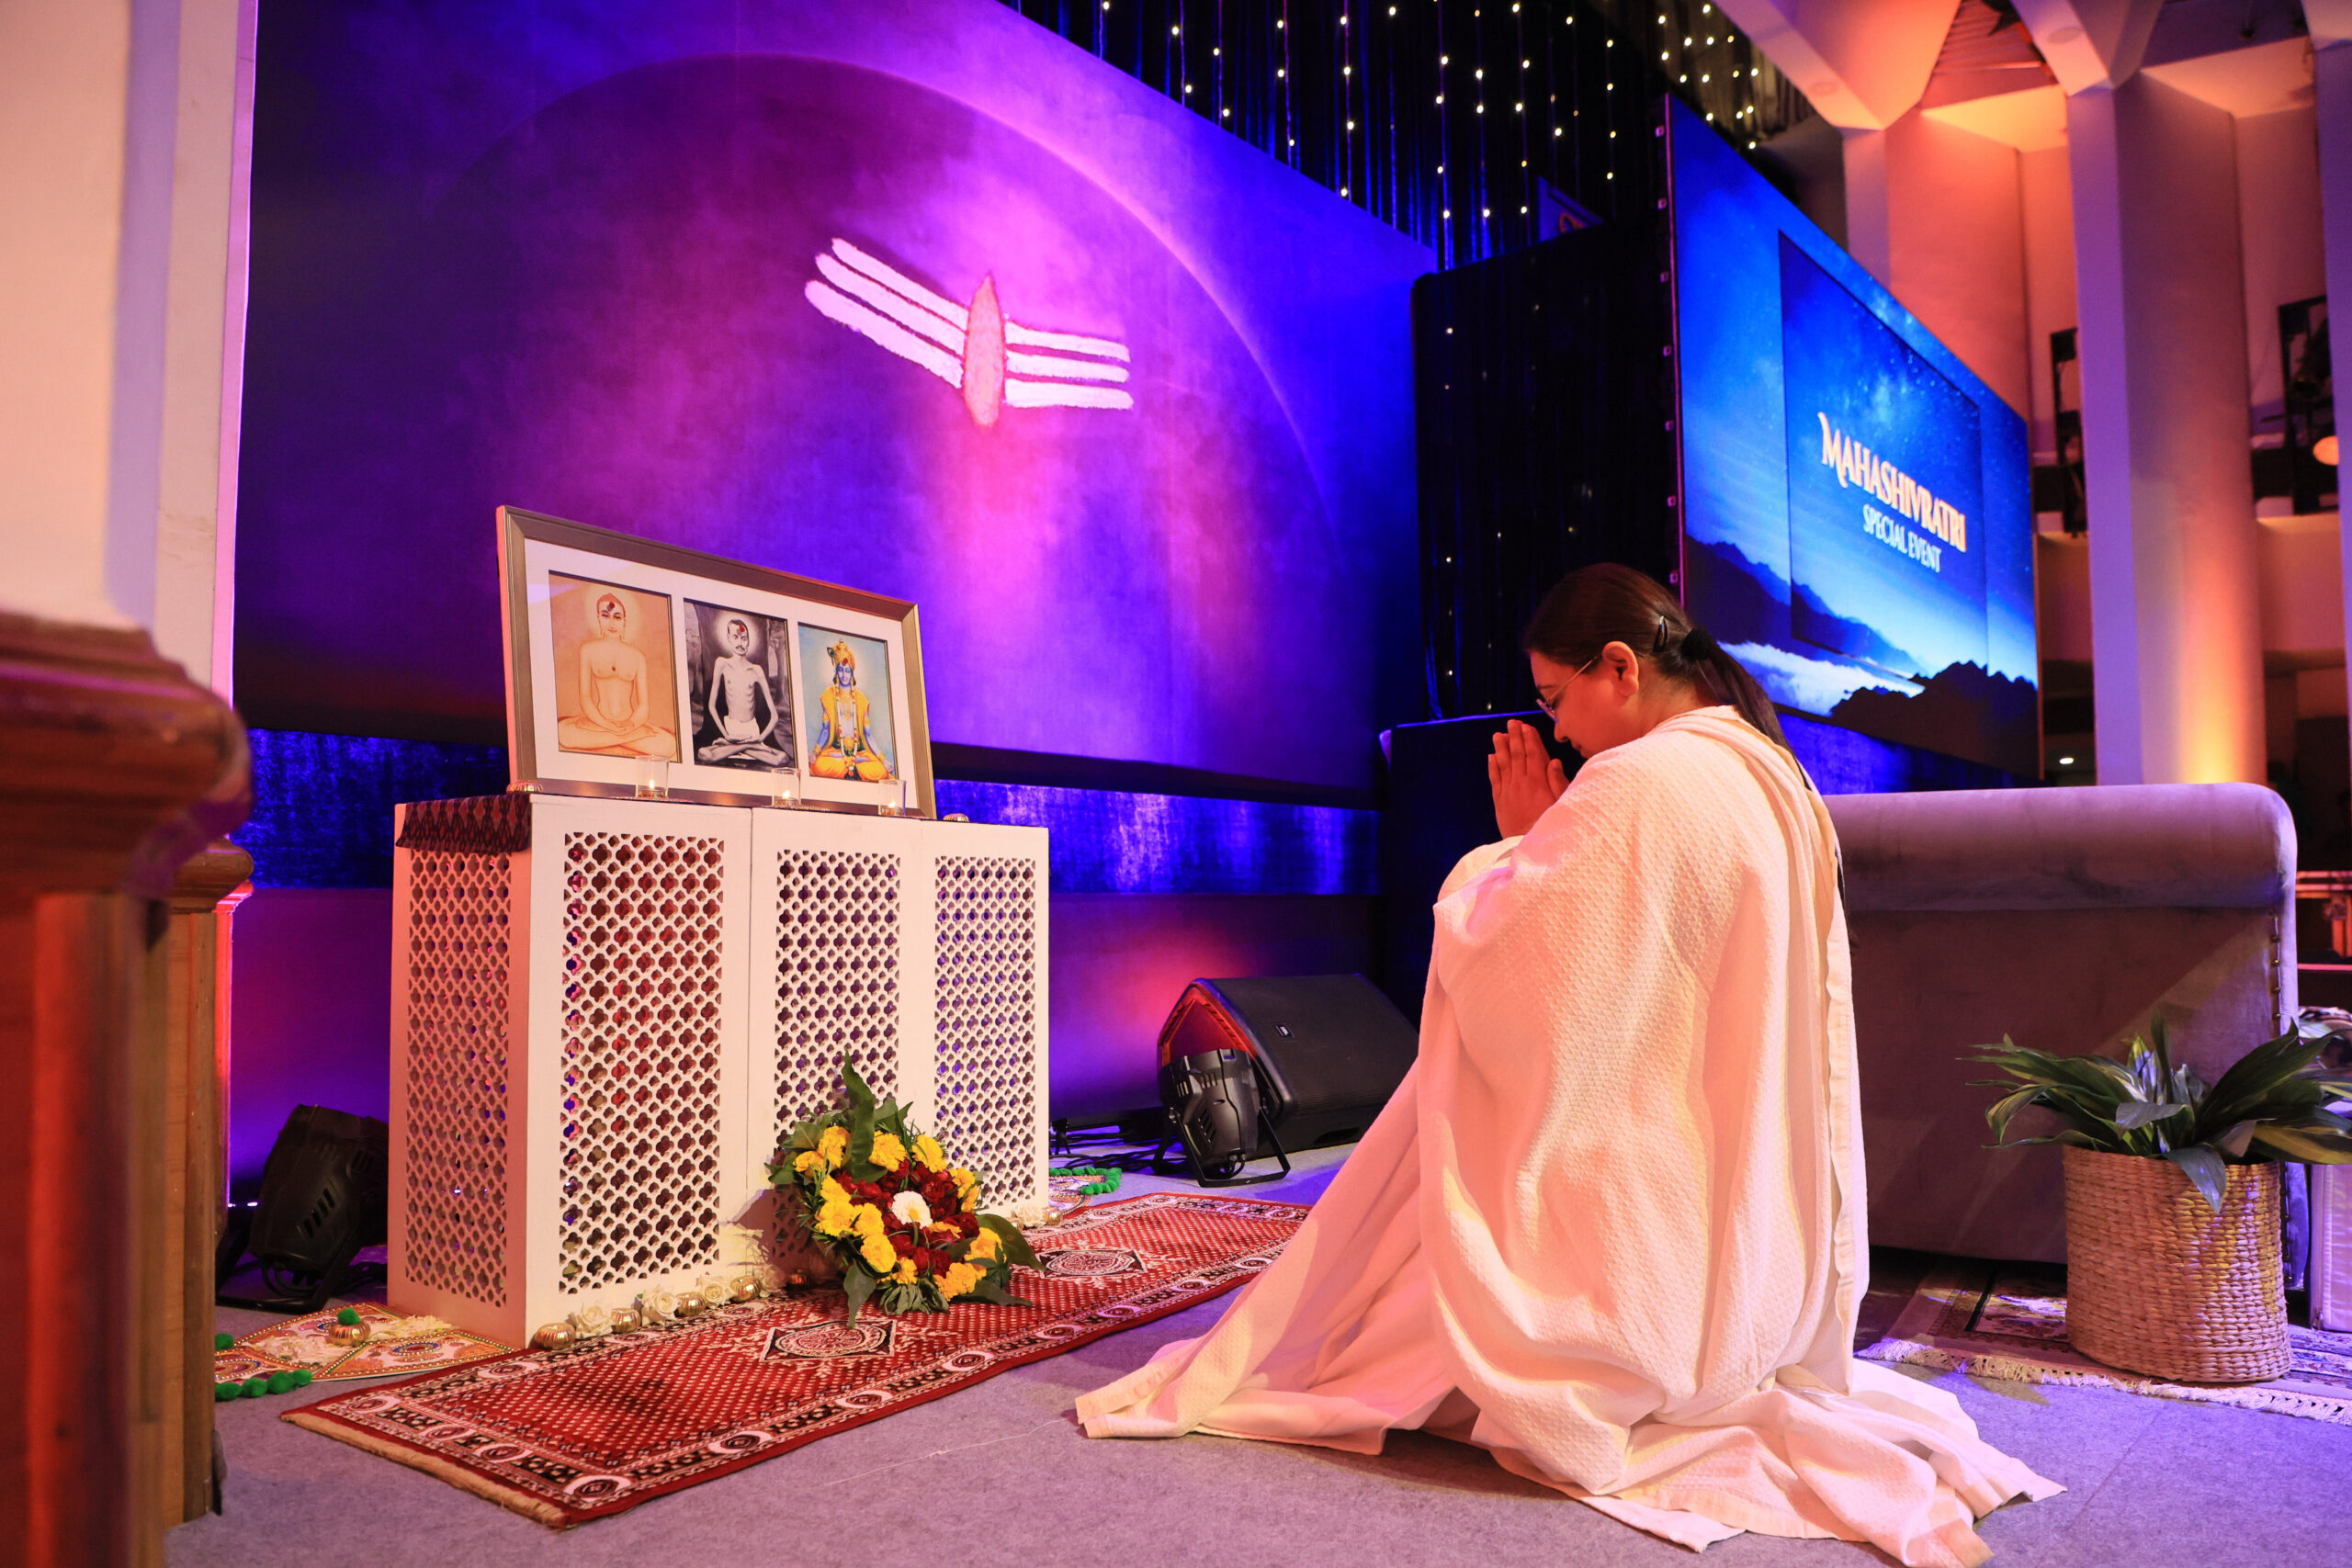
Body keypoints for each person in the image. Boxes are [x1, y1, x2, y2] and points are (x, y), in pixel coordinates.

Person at [1078, 565, 2058, 1566]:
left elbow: (1525, 974)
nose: (1557, 729)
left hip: (1646, 1233)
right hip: (1741, 1231)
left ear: (1620, 668)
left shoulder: (1639, 781)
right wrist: (1553, 840)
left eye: (1556, 698)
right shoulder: (1772, 774)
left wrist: (1517, 845)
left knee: (1392, 1301)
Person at [556, 592, 676, 758]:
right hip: (598, 723)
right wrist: (606, 724)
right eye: (606, 616)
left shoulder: (637, 656)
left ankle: (613, 739)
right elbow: (585, 698)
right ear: (598, 618)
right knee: (564, 733)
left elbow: (643, 707)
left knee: (668, 745)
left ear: (624, 621)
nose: (612, 623)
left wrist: (631, 724)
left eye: (617, 617)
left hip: (629, 725)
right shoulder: (588, 650)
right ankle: (622, 739)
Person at [698, 615, 790, 768]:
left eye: (744, 638)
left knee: (782, 759)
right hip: (731, 730)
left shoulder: (756, 670)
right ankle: (748, 748)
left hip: (752, 732)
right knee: (704, 754)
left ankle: (742, 747)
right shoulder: (722, 664)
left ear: (749, 641)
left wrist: (759, 739)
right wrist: (727, 736)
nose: (740, 643)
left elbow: (774, 716)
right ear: (729, 638)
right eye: (735, 637)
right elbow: (711, 706)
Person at [808, 640, 892, 782]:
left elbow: (868, 735)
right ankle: (851, 766)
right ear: (836, 671)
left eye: (847, 671)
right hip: (836, 751)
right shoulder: (829, 695)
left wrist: (883, 760)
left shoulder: (861, 699)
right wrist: (815, 752)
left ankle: (851, 765)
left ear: (852, 672)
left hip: (858, 753)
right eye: (841, 670)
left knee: (880, 771)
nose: (844, 675)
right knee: (820, 766)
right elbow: (826, 730)